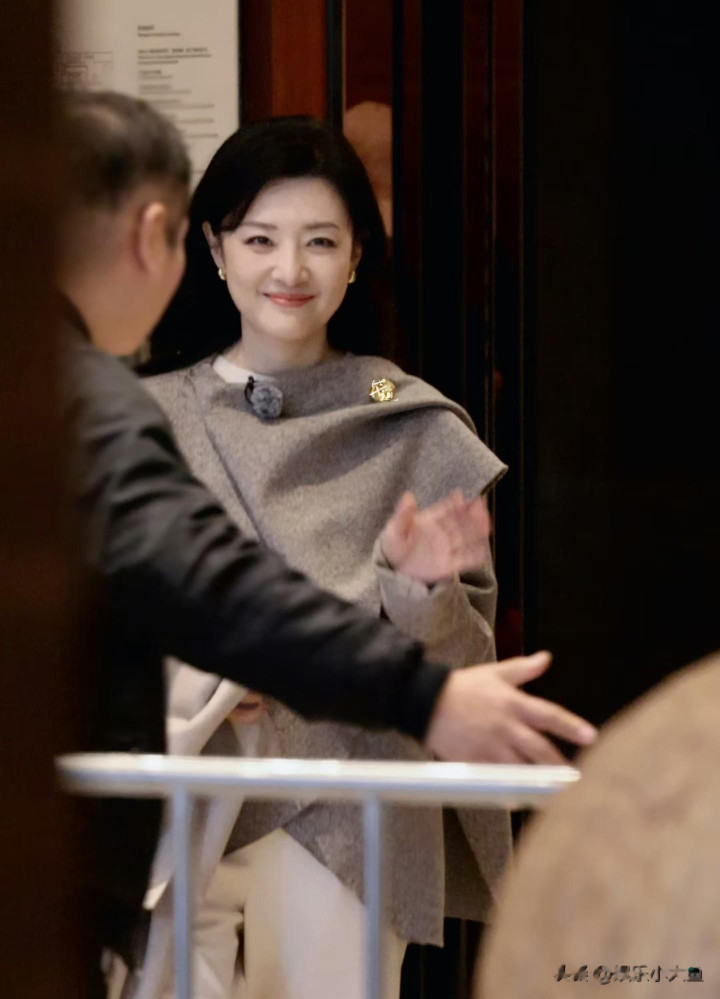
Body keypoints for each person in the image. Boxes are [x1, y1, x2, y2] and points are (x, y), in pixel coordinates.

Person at [57, 92, 596, 995]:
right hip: (179, 803)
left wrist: (419, 592)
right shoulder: (144, 411)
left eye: (320, 240)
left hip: (350, 809)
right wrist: (202, 678)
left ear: (356, 257)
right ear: (213, 248)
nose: (289, 268)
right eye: (259, 238)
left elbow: (462, 663)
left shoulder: (406, 416)